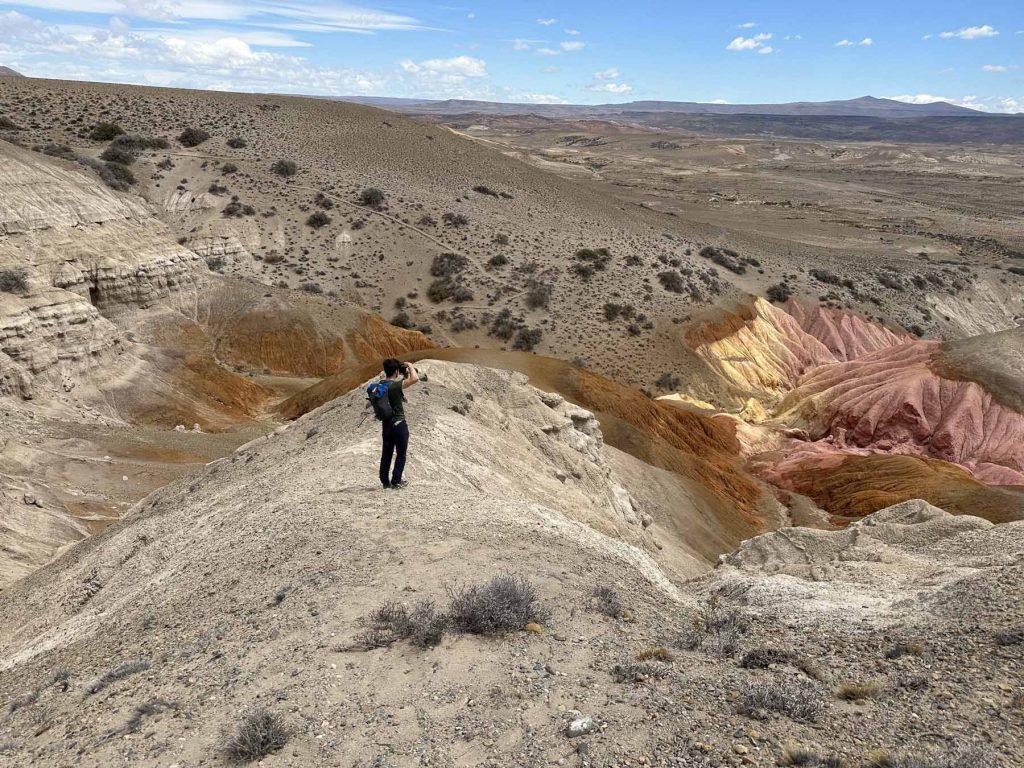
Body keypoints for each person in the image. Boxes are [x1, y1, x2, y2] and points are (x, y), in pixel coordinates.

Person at [379, 358, 419, 489]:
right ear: (396, 371)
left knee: (387, 453)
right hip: (399, 424)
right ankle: (396, 480)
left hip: (386, 425)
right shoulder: (395, 386)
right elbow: (414, 379)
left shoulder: (380, 385)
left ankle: (385, 481)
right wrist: (410, 366)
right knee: (401, 454)